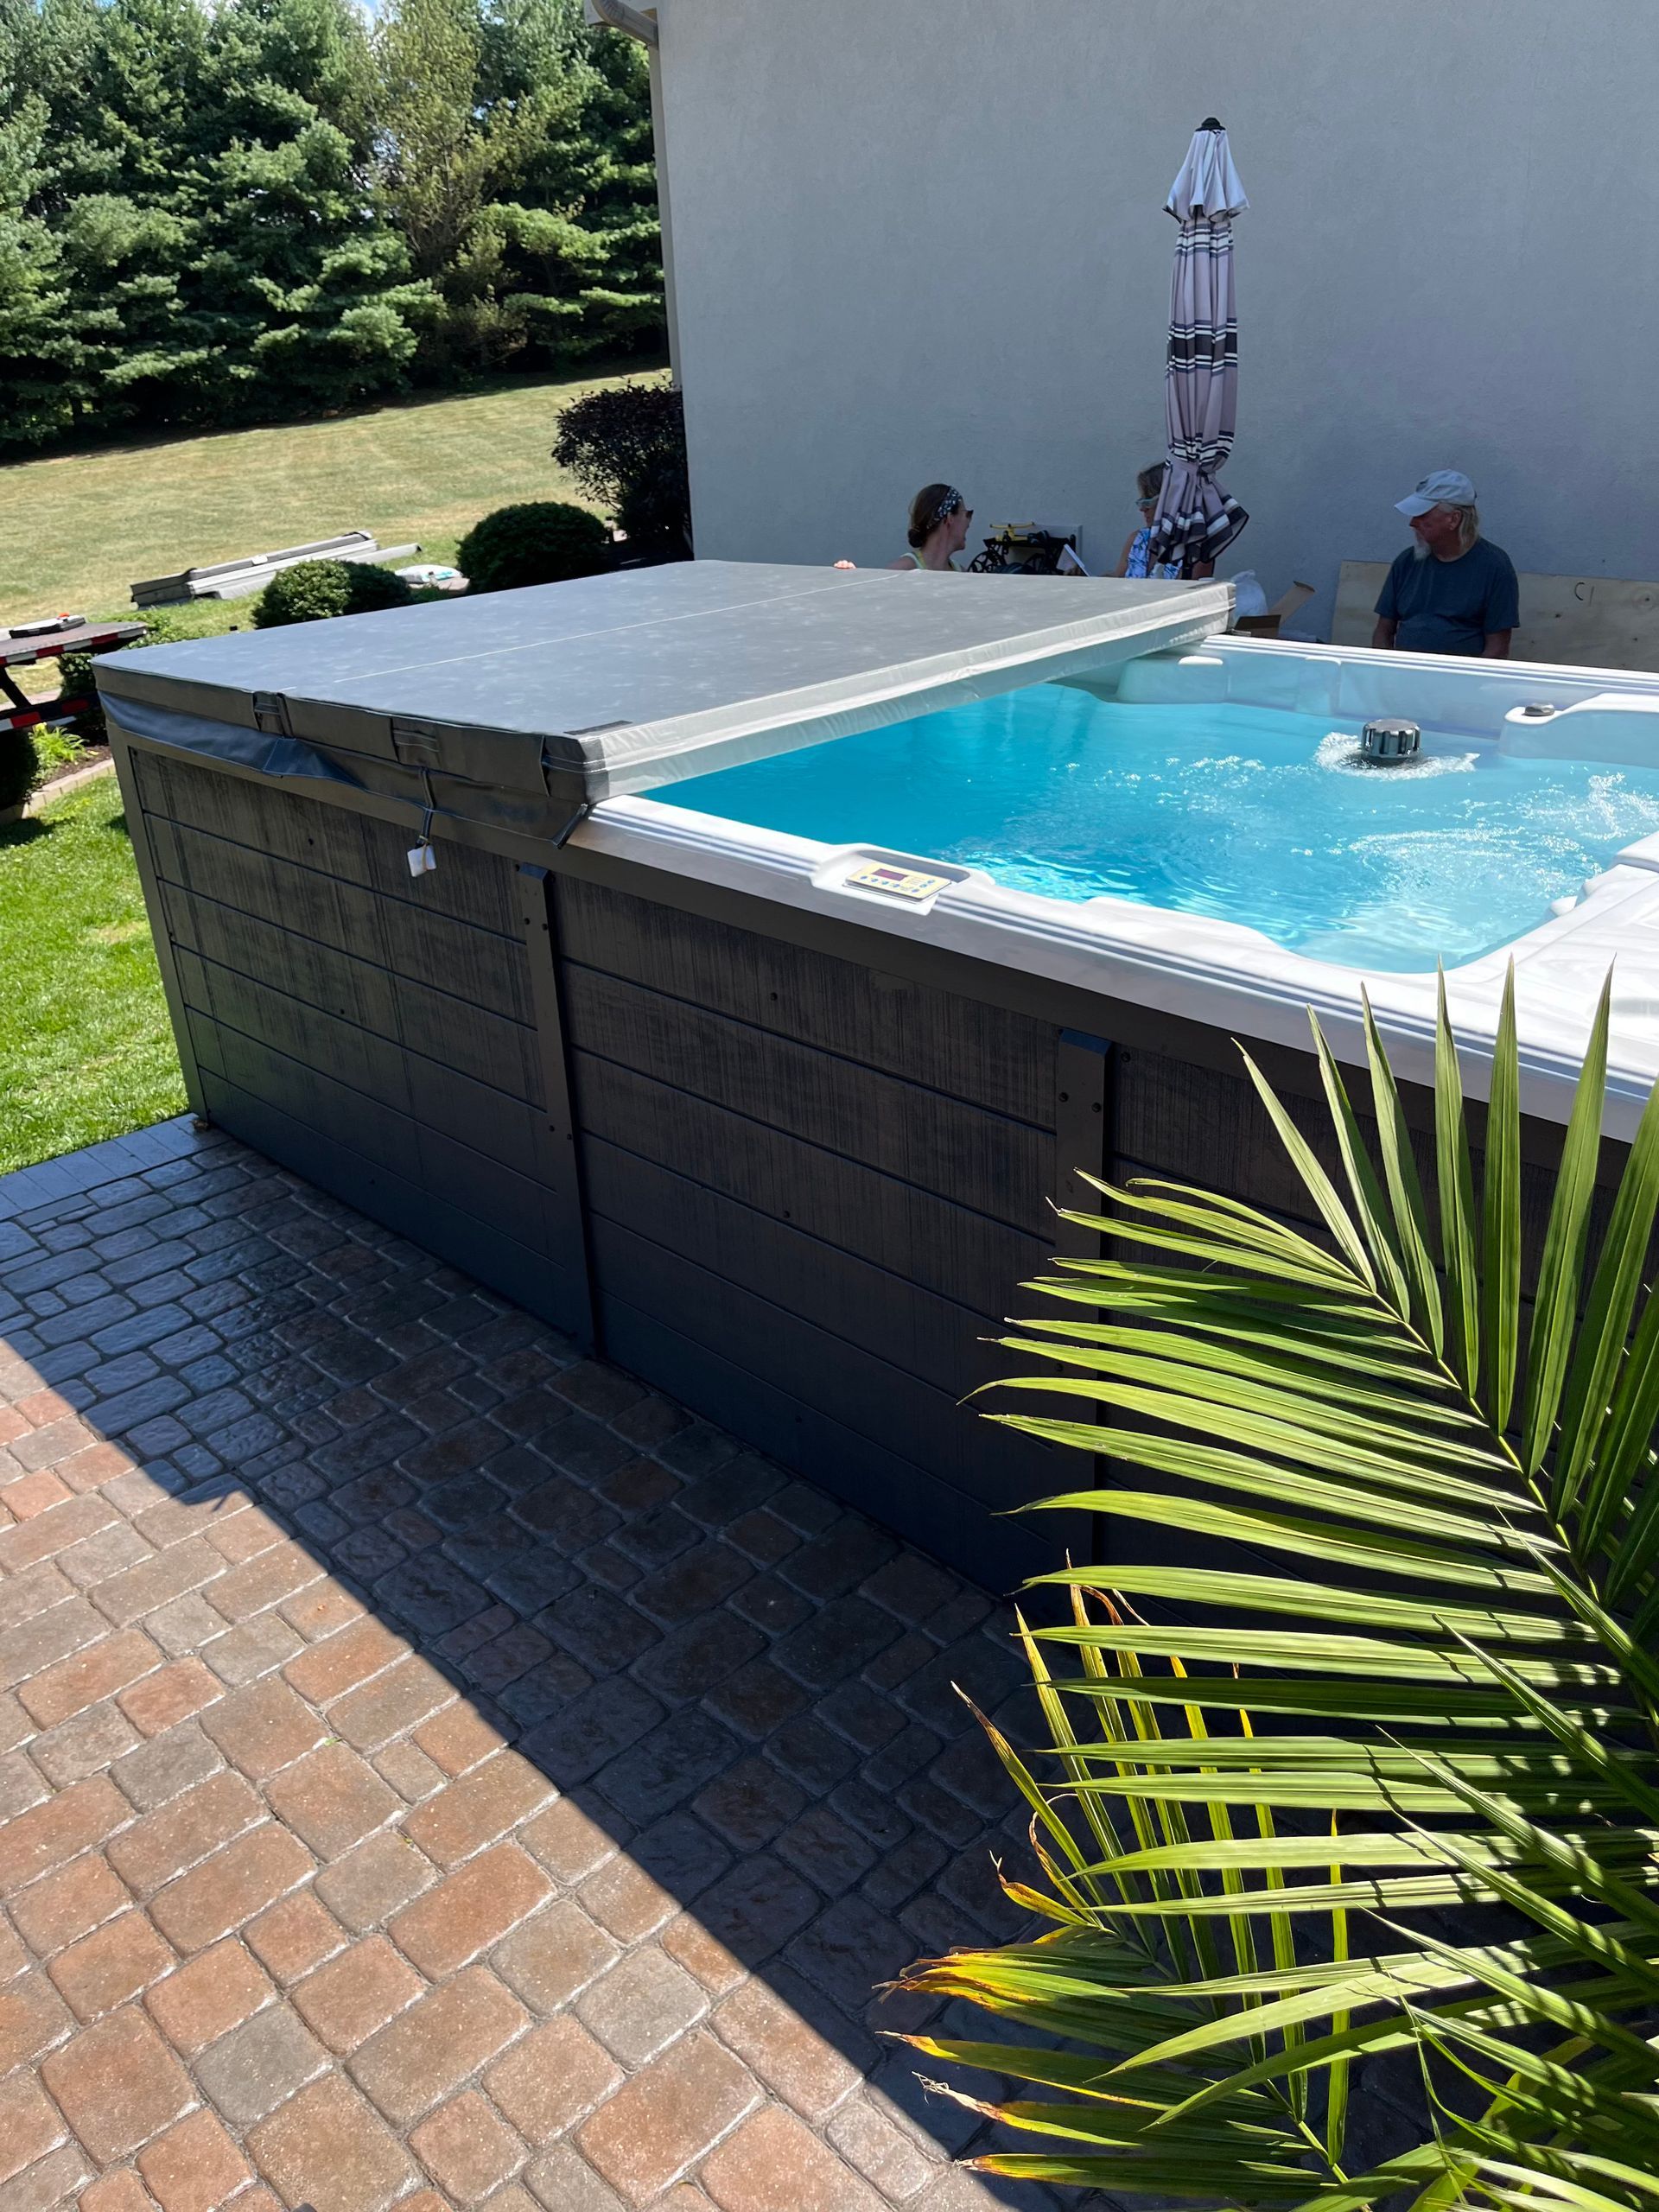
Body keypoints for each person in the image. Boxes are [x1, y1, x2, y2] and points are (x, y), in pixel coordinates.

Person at [1372, 471, 1518, 658]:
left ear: (1454, 519)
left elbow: (1497, 648)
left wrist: (1466, 685)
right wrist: (1385, 672)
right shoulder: (1406, 562)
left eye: (1422, 515)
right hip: (1404, 677)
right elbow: (1383, 631)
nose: (1412, 523)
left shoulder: (1495, 567)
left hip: (1461, 681)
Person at [1114, 463, 1184, 579]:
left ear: (1169, 502)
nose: (1142, 509)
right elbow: (1116, 583)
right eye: (1142, 502)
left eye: (1148, 502)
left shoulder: (1193, 550)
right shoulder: (1137, 540)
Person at [890, 483, 973, 570]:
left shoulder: (961, 573)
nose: (969, 522)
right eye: (967, 514)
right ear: (949, 518)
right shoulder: (903, 570)